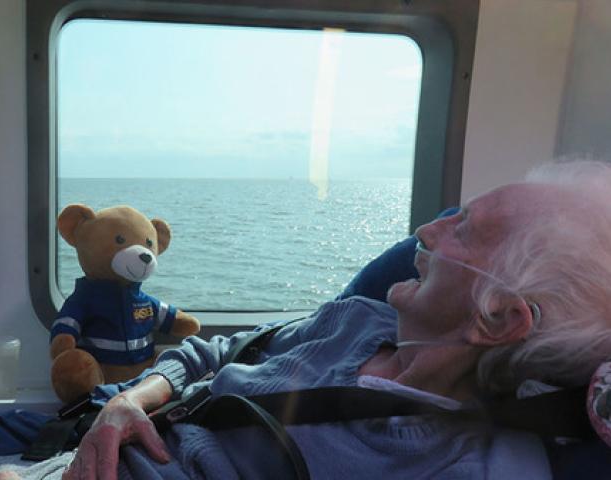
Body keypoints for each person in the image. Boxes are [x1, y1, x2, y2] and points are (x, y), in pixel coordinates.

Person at [62, 161, 611, 479]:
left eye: (462, 228)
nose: (425, 231)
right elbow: (220, 352)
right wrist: (127, 402)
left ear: (498, 318)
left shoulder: (467, 465)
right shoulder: (361, 320)